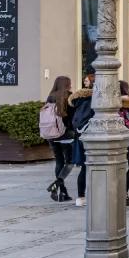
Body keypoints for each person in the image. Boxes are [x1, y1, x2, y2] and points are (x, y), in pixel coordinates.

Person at [43, 76, 75, 202]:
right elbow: (73, 118)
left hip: (51, 134)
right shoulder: (70, 96)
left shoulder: (50, 97)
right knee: (70, 162)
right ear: (67, 84)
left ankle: (63, 193)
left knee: (59, 162)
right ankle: (57, 183)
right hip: (66, 134)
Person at [69, 78, 94, 206]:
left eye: (86, 80)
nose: (85, 82)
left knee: (84, 167)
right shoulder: (95, 100)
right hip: (93, 136)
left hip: (79, 136)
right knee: (97, 166)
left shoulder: (76, 101)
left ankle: (80, 196)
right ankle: (96, 195)